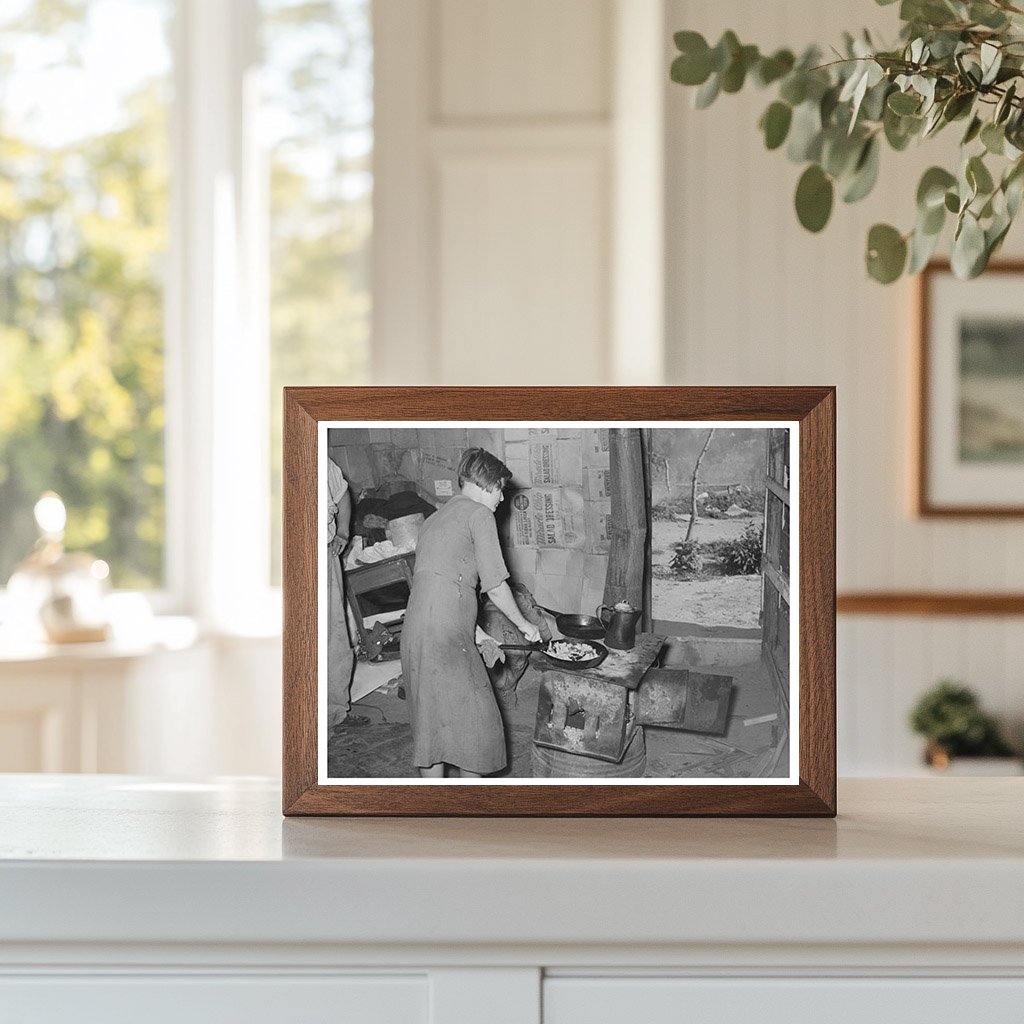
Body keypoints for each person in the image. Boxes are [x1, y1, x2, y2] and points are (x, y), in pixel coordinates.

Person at [400, 447, 542, 778]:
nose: (502, 498)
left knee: (432, 728)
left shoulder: (434, 519)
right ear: (486, 484)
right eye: (501, 488)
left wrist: (477, 634)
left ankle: (438, 817)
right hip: (444, 635)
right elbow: (495, 586)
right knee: (477, 731)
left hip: (416, 633)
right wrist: (525, 626)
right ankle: (469, 816)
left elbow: (437, 583)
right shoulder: (479, 515)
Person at [326, 457, 362, 728]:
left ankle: (333, 710)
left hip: (322, 553)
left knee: (334, 634)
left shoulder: (320, 461)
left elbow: (341, 494)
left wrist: (342, 531)